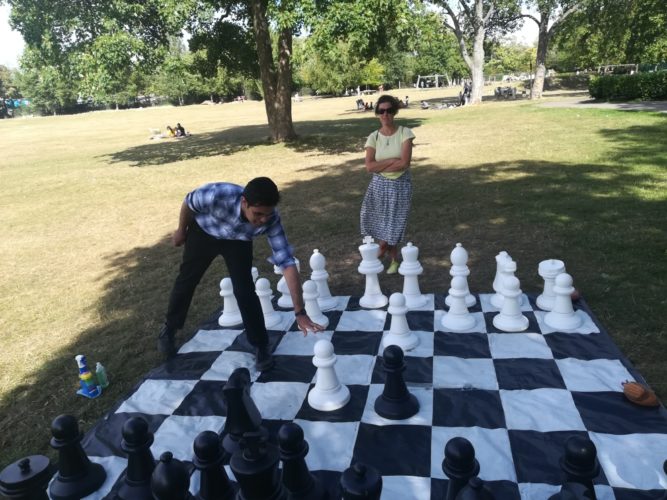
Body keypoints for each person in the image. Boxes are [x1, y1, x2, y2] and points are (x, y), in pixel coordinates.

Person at [158, 177, 324, 369]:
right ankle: (169, 329)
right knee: (187, 280)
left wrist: (299, 311)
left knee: (245, 290)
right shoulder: (218, 194)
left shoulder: (271, 220)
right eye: (258, 214)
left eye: (267, 215)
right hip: (204, 232)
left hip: (238, 241)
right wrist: (181, 230)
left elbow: (287, 263)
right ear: (244, 202)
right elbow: (189, 202)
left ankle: (261, 346)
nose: (262, 220)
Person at [360, 95, 415, 275]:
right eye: (381, 111)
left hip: (400, 185)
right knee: (384, 224)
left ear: (395, 112)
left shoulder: (405, 133)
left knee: (394, 224)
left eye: (389, 110)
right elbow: (369, 167)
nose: (385, 114)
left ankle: (376, 257)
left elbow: (404, 163)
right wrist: (393, 160)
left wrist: (381, 164)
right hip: (379, 186)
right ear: (377, 113)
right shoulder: (373, 137)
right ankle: (394, 260)